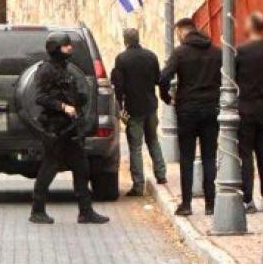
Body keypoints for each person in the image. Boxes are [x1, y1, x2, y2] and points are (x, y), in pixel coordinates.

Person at [30, 32, 109, 225]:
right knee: (49, 168)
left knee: (82, 168)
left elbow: (68, 93)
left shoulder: (65, 69)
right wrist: (63, 107)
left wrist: (79, 100)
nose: (70, 49)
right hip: (55, 128)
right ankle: (37, 211)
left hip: (70, 128)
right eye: (66, 46)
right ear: (56, 48)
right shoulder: (46, 70)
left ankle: (86, 212)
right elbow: (40, 97)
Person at [159, 18, 221, 216]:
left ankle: (186, 204)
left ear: (181, 31)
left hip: (187, 110)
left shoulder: (180, 52)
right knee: (209, 156)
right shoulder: (216, 52)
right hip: (211, 108)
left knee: (186, 157)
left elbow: (163, 77)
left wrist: (167, 97)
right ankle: (211, 204)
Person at [111, 28, 166, 196]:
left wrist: (120, 106)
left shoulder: (121, 59)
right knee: (153, 140)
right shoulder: (151, 56)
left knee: (135, 147)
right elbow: (158, 79)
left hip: (134, 108)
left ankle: (138, 185)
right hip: (151, 106)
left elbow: (119, 86)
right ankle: (161, 174)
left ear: (125, 40)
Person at [236, 12, 263, 213]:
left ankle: (247, 199)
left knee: (245, 155)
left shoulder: (241, 51)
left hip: (245, 106)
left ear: (251, 26)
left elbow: (231, 77)